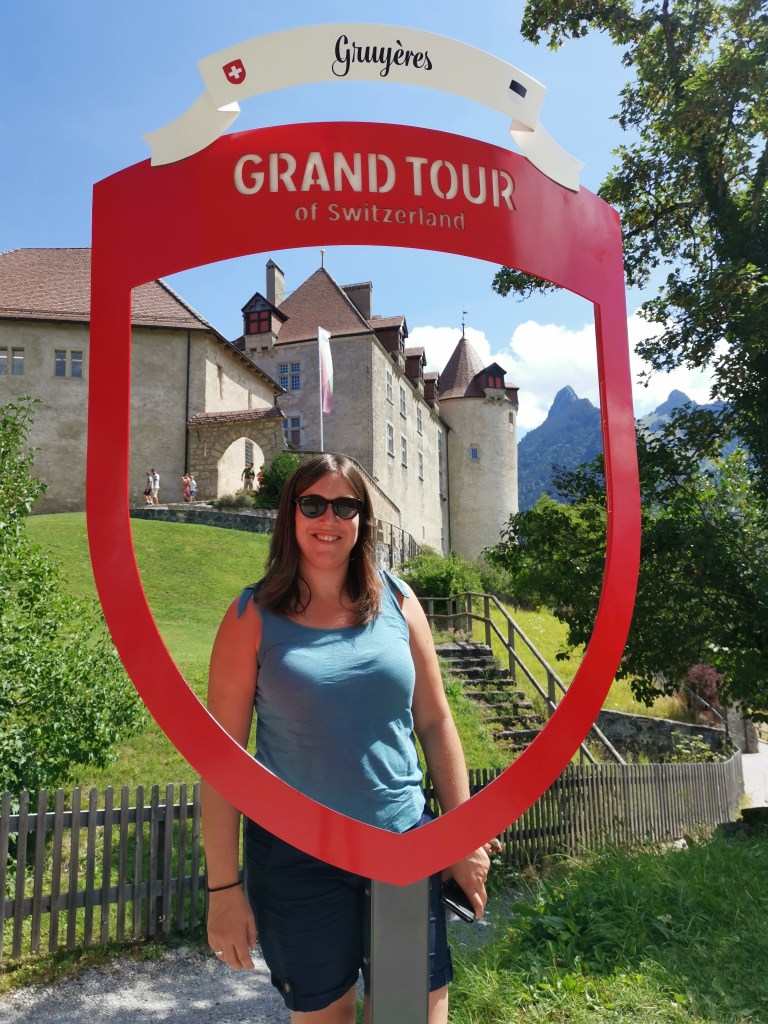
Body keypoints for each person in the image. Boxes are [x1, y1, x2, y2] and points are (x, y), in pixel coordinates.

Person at [202, 453, 491, 1024]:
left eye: (344, 505)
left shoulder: (400, 603)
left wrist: (460, 835)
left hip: (402, 847)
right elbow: (222, 764)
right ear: (290, 515)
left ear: (363, 520)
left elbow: (435, 722)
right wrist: (222, 888)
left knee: (408, 1014)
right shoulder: (251, 616)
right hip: (295, 859)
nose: (326, 518)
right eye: (311, 503)